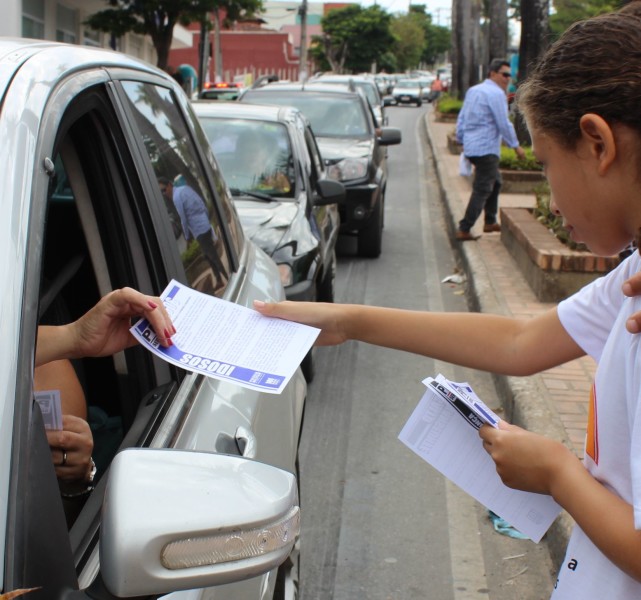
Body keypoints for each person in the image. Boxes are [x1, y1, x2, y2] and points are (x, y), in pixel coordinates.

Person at [253, 9, 641, 598]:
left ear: (598, 142)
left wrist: (560, 475)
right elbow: (518, 343)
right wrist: (347, 320)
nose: (551, 197)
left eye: (546, 165)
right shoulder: (634, 278)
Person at [455, 58, 526, 241]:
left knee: (496, 181)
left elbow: (462, 117)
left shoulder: (474, 90)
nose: (507, 79)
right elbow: (503, 123)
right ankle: (465, 227)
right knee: (482, 188)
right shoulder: (495, 94)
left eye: (510, 75)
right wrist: (516, 146)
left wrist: (461, 139)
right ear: (492, 74)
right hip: (486, 148)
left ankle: (489, 221)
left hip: (473, 147)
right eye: (504, 74)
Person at [158, 177, 228, 288]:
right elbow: (202, 203)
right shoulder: (185, 188)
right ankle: (219, 280)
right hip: (205, 225)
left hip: (199, 230)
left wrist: (186, 236)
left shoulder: (176, 198)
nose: (164, 193)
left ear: (170, 185)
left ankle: (227, 277)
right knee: (209, 255)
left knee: (212, 256)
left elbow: (183, 219)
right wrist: (205, 220)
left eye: (164, 190)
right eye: (161, 192)